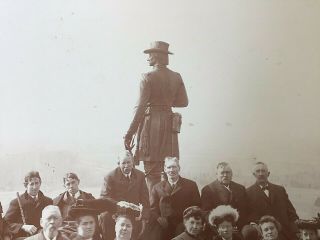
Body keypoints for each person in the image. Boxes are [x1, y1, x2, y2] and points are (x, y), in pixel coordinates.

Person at [124, 41, 189, 193]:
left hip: (151, 127)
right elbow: (183, 102)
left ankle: (153, 211)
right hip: (169, 127)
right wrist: (165, 101)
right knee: (167, 169)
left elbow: (139, 108)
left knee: (151, 173)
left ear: (157, 56)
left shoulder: (147, 77)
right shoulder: (176, 76)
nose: (148, 58)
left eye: (150, 55)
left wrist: (129, 133)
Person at [99, 151, 149, 240]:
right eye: (123, 163)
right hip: (115, 211)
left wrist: (144, 216)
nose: (126, 165)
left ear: (133, 162)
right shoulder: (110, 176)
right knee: (104, 216)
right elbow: (104, 197)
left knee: (149, 218)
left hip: (134, 212)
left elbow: (145, 199)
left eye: (129, 162)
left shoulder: (140, 175)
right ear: (119, 164)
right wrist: (119, 205)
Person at [148, 157, 201, 240]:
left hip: (183, 224)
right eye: (169, 167)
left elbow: (197, 206)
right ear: (165, 169)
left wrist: (187, 221)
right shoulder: (157, 187)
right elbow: (152, 208)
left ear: (179, 168)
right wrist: (159, 219)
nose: (171, 170)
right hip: (163, 225)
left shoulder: (190, 185)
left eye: (174, 167)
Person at [246, 162, 299, 240]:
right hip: (264, 235)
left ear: (268, 173)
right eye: (258, 171)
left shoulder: (280, 190)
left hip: (285, 234)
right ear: (254, 174)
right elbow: (248, 216)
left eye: (263, 171)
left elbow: (291, 213)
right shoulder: (247, 193)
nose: (261, 174)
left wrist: (296, 231)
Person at [4, 171, 53, 239]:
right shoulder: (16, 202)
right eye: (31, 184)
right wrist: (22, 227)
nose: (35, 187)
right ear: (26, 185)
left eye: (37, 183)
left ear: (40, 183)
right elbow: (6, 223)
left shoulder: (48, 201)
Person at [201, 162, 248, 230]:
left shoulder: (240, 188)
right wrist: (221, 225)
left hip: (238, 226)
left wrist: (237, 225)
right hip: (218, 227)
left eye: (228, 172)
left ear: (231, 174)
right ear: (217, 174)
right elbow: (206, 213)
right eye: (222, 173)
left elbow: (244, 210)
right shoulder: (208, 189)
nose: (225, 175)